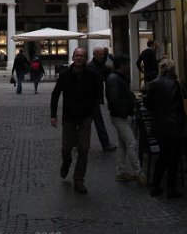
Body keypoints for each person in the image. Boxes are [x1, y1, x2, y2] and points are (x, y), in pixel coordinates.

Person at [50, 47, 100, 194]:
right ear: (73, 57)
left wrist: (91, 112)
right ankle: (66, 162)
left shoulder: (92, 75)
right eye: (77, 55)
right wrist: (53, 115)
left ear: (85, 59)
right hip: (69, 117)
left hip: (85, 116)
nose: (79, 58)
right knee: (66, 148)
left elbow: (97, 93)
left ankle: (79, 179)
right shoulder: (65, 75)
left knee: (84, 149)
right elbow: (55, 94)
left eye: (82, 56)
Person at [146, 58, 186, 198]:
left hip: (160, 126)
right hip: (174, 125)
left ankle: (155, 185)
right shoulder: (177, 83)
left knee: (163, 155)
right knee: (173, 156)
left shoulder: (154, 84)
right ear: (172, 69)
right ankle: (171, 187)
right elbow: (183, 105)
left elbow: (148, 105)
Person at [106, 53, 146, 185]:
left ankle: (121, 171)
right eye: (127, 63)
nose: (129, 66)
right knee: (131, 143)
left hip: (120, 115)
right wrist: (125, 113)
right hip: (120, 116)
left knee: (123, 145)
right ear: (121, 65)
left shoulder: (117, 78)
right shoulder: (114, 79)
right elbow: (114, 99)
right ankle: (138, 172)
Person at [87, 46, 117, 152]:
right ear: (95, 55)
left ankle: (77, 141)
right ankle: (105, 144)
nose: (102, 56)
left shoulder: (99, 65)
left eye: (103, 54)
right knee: (98, 122)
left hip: (94, 98)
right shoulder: (92, 67)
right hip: (92, 99)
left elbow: (108, 71)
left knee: (87, 122)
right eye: (100, 54)